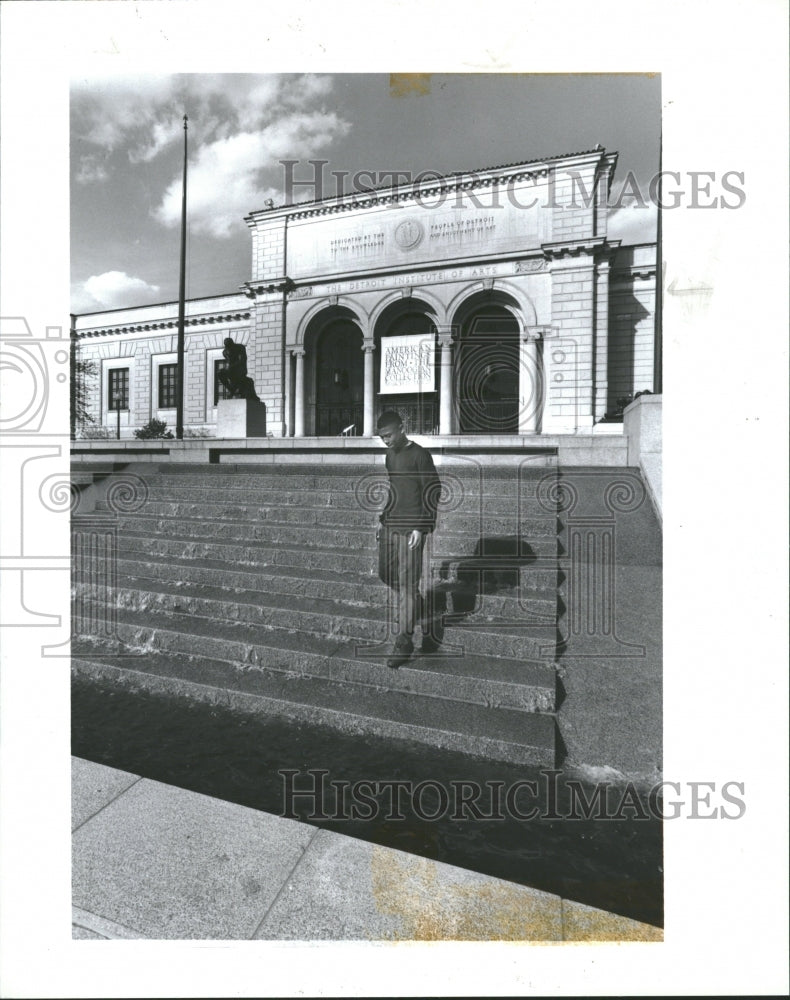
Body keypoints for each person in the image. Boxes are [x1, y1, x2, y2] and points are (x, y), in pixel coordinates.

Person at [375, 410, 441, 668]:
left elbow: (432, 491)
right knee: (384, 572)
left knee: (407, 585)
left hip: (411, 530)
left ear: (402, 428)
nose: (386, 441)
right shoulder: (390, 456)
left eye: (389, 435)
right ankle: (415, 604)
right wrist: (382, 521)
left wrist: (420, 527)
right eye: (382, 438)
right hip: (391, 525)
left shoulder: (420, 455)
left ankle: (404, 641)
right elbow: (394, 488)